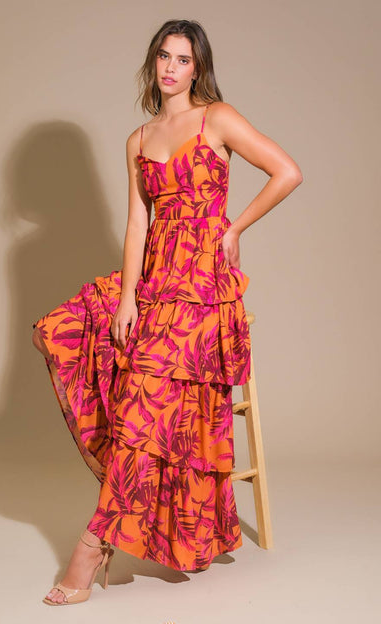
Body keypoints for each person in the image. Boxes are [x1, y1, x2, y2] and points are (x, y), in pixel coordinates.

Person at [32, 18, 303, 606]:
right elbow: (136, 226)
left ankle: (92, 545)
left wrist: (233, 228)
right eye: (163, 56)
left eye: (183, 59)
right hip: (155, 279)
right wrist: (128, 296)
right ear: (153, 63)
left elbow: (288, 172)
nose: (171, 68)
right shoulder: (138, 138)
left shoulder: (219, 118)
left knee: (146, 395)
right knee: (68, 329)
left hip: (204, 287)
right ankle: (124, 512)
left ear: (197, 67)